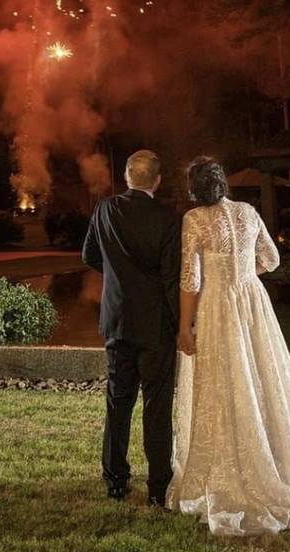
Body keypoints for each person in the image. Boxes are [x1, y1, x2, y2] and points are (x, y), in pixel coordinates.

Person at [168, 157, 290, 535]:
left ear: (194, 188)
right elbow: (270, 259)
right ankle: (279, 456)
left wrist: (184, 326)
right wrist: (240, 274)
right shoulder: (248, 212)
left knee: (225, 378)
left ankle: (235, 464)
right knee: (263, 378)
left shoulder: (194, 220)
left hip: (219, 306)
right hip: (253, 301)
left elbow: (190, 278)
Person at [82, 150, 181, 507]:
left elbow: (89, 255)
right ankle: (158, 487)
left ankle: (115, 480)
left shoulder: (105, 210)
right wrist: (181, 323)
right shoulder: (168, 219)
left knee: (117, 401)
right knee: (157, 406)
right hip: (155, 324)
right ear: (157, 180)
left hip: (117, 319)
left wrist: (116, 277)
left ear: (127, 177)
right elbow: (172, 277)